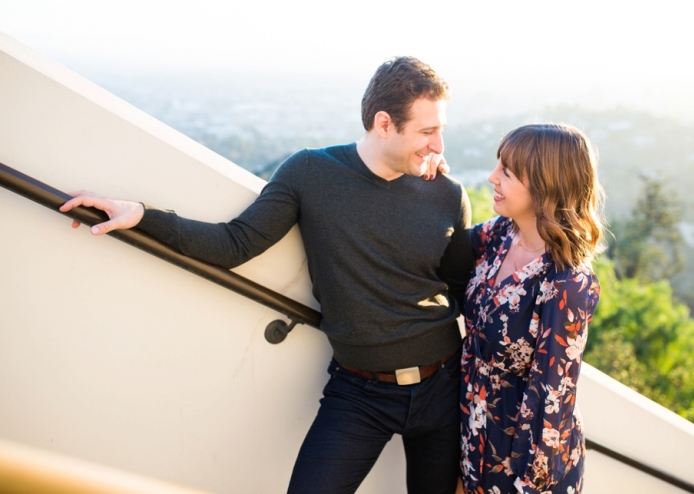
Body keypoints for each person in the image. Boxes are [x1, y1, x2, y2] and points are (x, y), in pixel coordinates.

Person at [60, 57, 474, 494]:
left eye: (440, 129)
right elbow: (234, 244)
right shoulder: (311, 173)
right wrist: (142, 215)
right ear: (384, 124)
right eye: (427, 131)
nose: (439, 144)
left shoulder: (446, 193)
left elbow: (462, 289)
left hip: (444, 388)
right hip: (360, 394)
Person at [458, 125, 603, 494]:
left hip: (520, 462)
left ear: (544, 185)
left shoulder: (566, 283)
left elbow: (552, 399)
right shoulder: (501, 235)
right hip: (474, 439)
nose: (492, 178)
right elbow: (442, 251)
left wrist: (528, 483)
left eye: (506, 172)